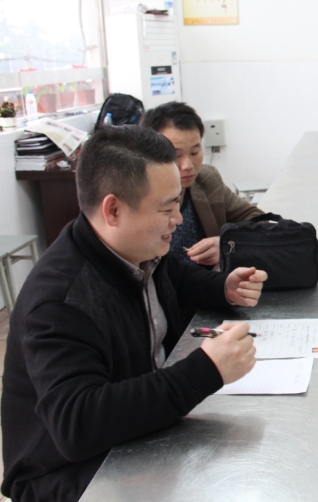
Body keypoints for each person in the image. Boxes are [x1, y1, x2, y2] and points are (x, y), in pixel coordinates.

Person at [1, 125, 268, 502]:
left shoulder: (136, 249)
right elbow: (77, 425)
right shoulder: (60, 301)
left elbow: (177, 278)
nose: (178, 219)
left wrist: (223, 286)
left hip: (138, 436)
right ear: (113, 210)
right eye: (166, 208)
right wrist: (205, 370)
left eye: (178, 203)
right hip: (69, 475)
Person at [140, 101, 264, 267]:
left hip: (212, 280)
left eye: (194, 152)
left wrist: (228, 244)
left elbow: (260, 221)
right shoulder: (135, 198)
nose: (188, 165)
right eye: (176, 155)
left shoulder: (207, 181)